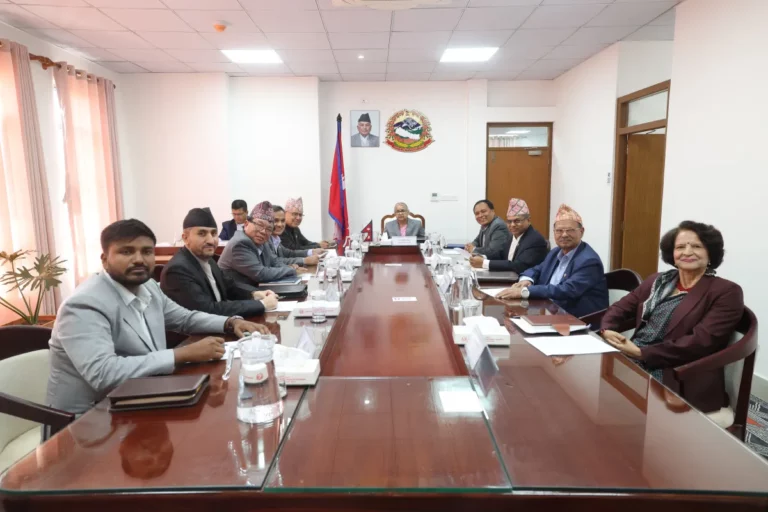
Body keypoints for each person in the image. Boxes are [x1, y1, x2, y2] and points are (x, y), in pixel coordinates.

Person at [46, 219, 267, 414]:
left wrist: (230, 322)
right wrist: (181, 354)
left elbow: (185, 318)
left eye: (146, 252)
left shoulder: (148, 286)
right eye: (126, 252)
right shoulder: (83, 305)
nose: (139, 259)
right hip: (88, 421)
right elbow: (104, 373)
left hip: (144, 396)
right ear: (104, 259)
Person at [599, 221, 743, 425]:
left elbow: (702, 341)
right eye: (680, 246)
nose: (688, 252)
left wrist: (643, 353)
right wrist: (607, 329)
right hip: (632, 356)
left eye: (697, 246)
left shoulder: (726, 291)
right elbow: (621, 307)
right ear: (672, 253)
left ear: (710, 253)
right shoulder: (658, 281)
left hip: (679, 372)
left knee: (616, 409)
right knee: (588, 390)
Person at [160, 207, 278, 317]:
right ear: (185, 238)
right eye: (202, 234)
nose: (211, 240)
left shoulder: (209, 260)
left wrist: (255, 294)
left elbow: (229, 287)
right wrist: (262, 304)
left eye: (213, 233)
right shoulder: (178, 270)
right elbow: (208, 310)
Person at [497, 204, 608, 318]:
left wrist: (525, 291)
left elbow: (567, 290)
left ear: (581, 231)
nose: (564, 235)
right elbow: (537, 269)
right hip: (549, 311)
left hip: (576, 319)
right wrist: (527, 279)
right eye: (559, 231)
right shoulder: (555, 252)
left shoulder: (589, 261)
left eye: (570, 230)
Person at [218, 201, 310, 290]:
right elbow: (260, 274)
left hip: (258, 289)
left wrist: (290, 268)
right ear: (246, 224)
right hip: (238, 294)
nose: (263, 232)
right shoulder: (240, 243)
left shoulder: (263, 241)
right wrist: (291, 271)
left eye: (269, 229)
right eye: (259, 225)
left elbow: (274, 262)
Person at [470, 198, 548, 273]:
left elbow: (519, 266)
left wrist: (484, 263)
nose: (512, 225)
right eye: (509, 221)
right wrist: (482, 257)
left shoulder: (534, 240)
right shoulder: (511, 236)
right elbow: (500, 255)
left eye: (517, 221)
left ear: (528, 220)